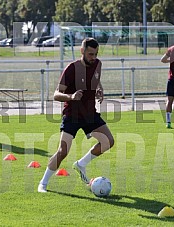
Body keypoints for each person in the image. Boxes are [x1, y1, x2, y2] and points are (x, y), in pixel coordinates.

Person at [38, 38, 115, 193]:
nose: (93, 57)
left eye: (96, 54)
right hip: (72, 115)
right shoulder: (72, 68)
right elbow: (55, 94)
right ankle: (43, 184)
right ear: (82, 51)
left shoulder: (98, 64)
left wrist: (99, 89)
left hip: (89, 114)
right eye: (90, 54)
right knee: (63, 151)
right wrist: (71, 97)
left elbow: (96, 79)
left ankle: (81, 164)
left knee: (108, 142)